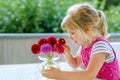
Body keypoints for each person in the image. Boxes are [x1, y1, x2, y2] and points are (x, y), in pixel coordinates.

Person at [42, 3, 120, 80]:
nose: (69, 37)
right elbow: (75, 64)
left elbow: (89, 75)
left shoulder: (100, 46)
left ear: (87, 30)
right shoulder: (85, 44)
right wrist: (67, 54)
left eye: (72, 33)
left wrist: (61, 75)